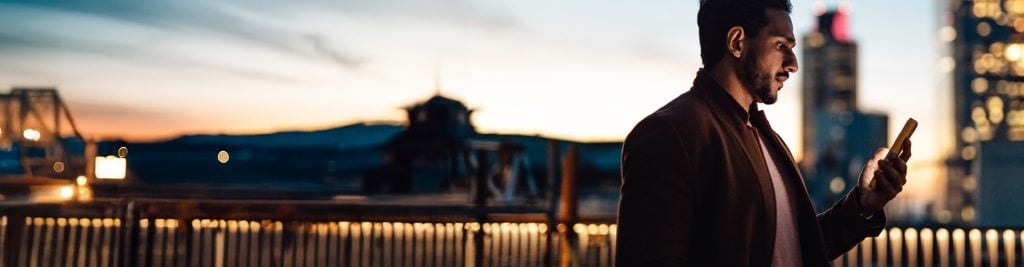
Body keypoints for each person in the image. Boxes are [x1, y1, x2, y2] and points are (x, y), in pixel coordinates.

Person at [614, 0, 912, 266]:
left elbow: (796, 248)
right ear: (737, 42)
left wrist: (863, 204)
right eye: (782, 46)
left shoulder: (766, 139)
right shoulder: (668, 134)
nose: (793, 65)